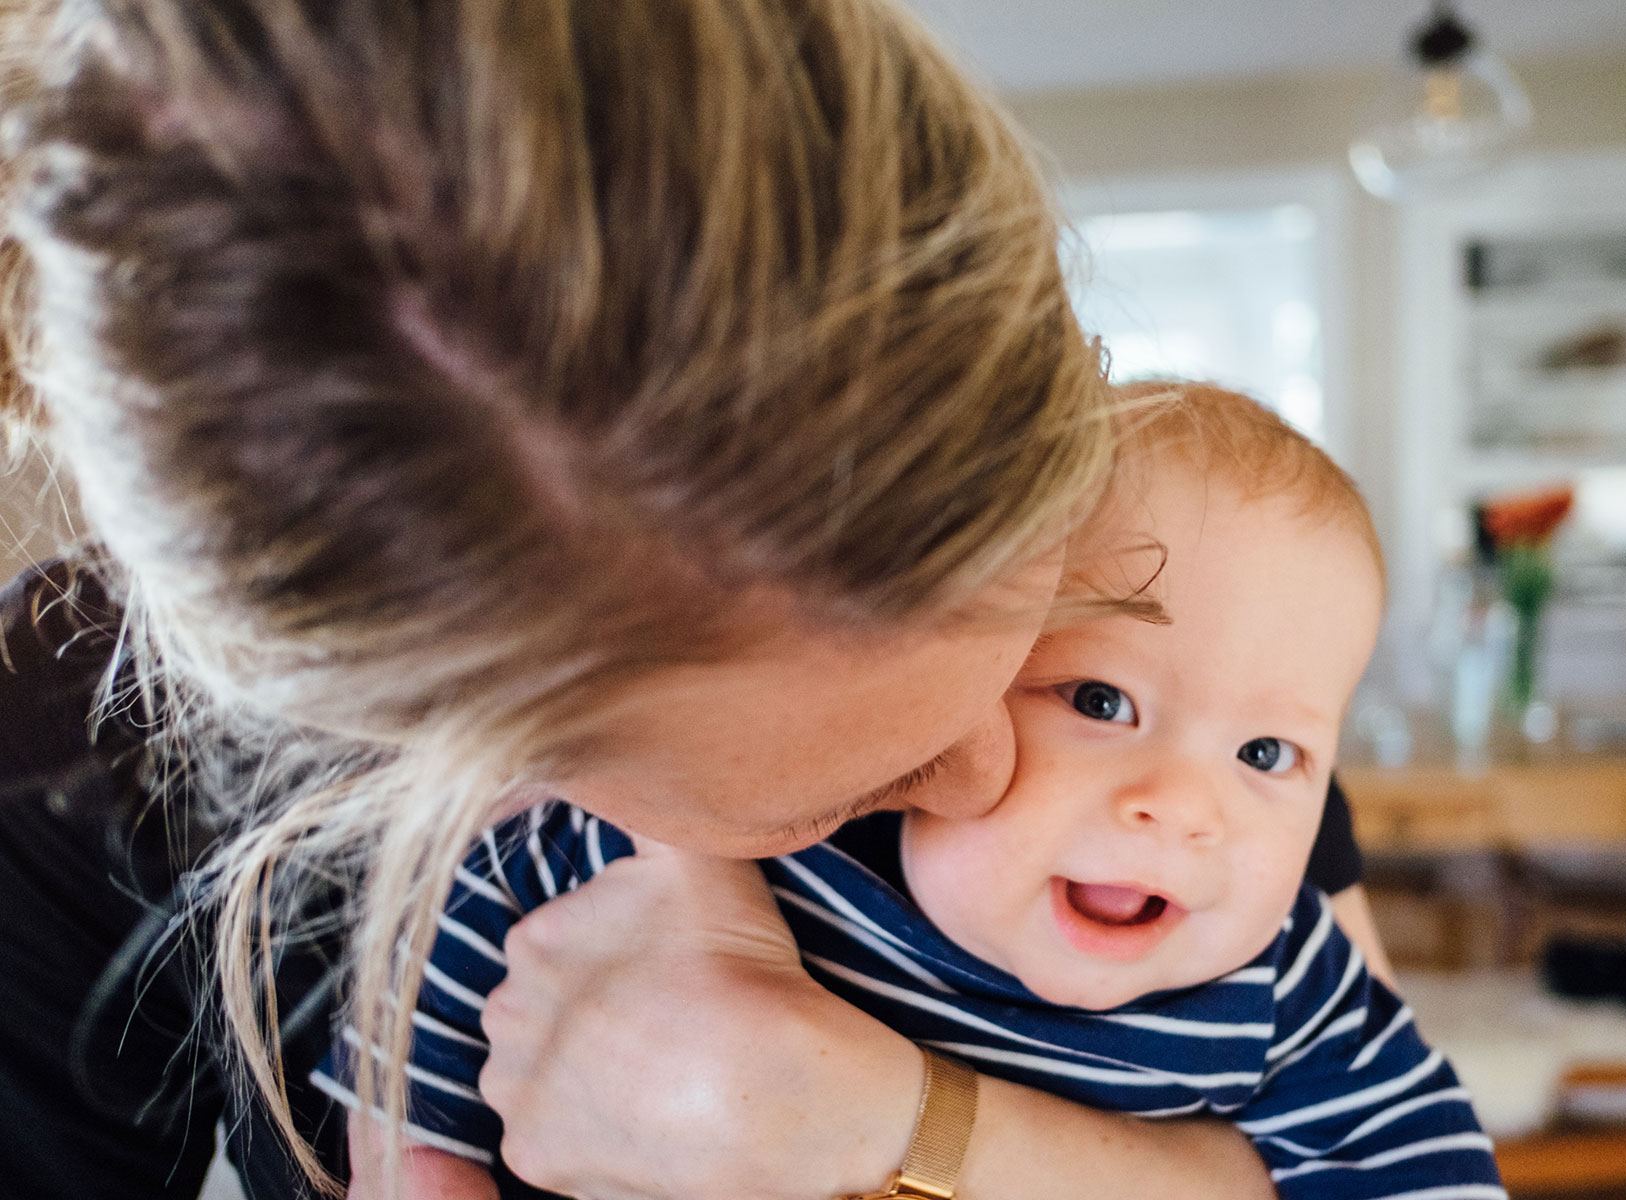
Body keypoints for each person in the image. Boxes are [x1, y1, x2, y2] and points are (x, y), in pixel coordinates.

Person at [0, 2, 1385, 1198]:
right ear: (465, 758)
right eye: (845, 788)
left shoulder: (1189, 645)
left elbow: (1377, 1139)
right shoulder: (54, 784)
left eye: (1040, 650)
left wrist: (898, 1121)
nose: (992, 771)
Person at [323, 384, 1501, 1200]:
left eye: (1265, 757)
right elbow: (437, 985)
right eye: (1097, 702)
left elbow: (1421, 1170)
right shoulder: (777, 830)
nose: (1183, 806)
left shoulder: (1280, 977)